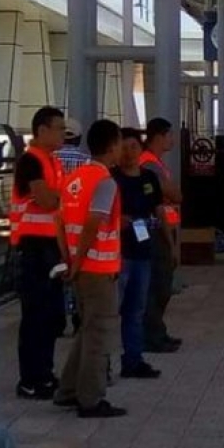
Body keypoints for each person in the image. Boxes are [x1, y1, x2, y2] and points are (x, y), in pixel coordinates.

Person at [53, 119, 127, 418]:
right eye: (121, 143)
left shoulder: (75, 178)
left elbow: (59, 221)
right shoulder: (104, 181)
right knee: (99, 334)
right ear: (111, 146)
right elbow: (93, 224)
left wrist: (70, 260)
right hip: (97, 269)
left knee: (86, 330)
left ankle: (68, 389)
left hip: (81, 267)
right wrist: (80, 260)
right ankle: (91, 399)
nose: (122, 149)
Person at [11, 107, 67, 400]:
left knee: (51, 316)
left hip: (50, 248)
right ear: (42, 130)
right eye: (59, 128)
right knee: (35, 316)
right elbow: (47, 199)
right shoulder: (31, 161)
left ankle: (44, 374)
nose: (63, 134)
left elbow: (54, 199)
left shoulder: (51, 161)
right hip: (33, 249)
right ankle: (30, 379)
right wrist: (63, 196)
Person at [111, 128, 163, 379]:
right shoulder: (110, 179)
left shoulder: (149, 179)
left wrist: (170, 242)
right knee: (113, 310)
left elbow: (159, 210)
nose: (129, 152)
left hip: (142, 251)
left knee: (136, 309)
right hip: (117, 254)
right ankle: (104, 363)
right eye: (124, 146)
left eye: (134, 147)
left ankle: (133, 359)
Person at [139, 118, 183, 354]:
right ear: (160, 136)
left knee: (161, 285)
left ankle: (157, 332)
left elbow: (174, 193)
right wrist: (172, 191)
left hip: (162, 228)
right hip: (156, 230)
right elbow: (174, 194)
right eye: (170, 135)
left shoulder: (156, 163)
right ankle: (151, 335)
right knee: (158, 284)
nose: (173, 140)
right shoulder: (149, 164)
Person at [53, 118, 88, 336]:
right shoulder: (86, 162)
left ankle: (57, 318)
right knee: (76, 271)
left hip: (51, 226)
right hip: (77, 225)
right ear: (79, 137)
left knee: (56, 272)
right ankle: (77, 316)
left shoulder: (50, 160)